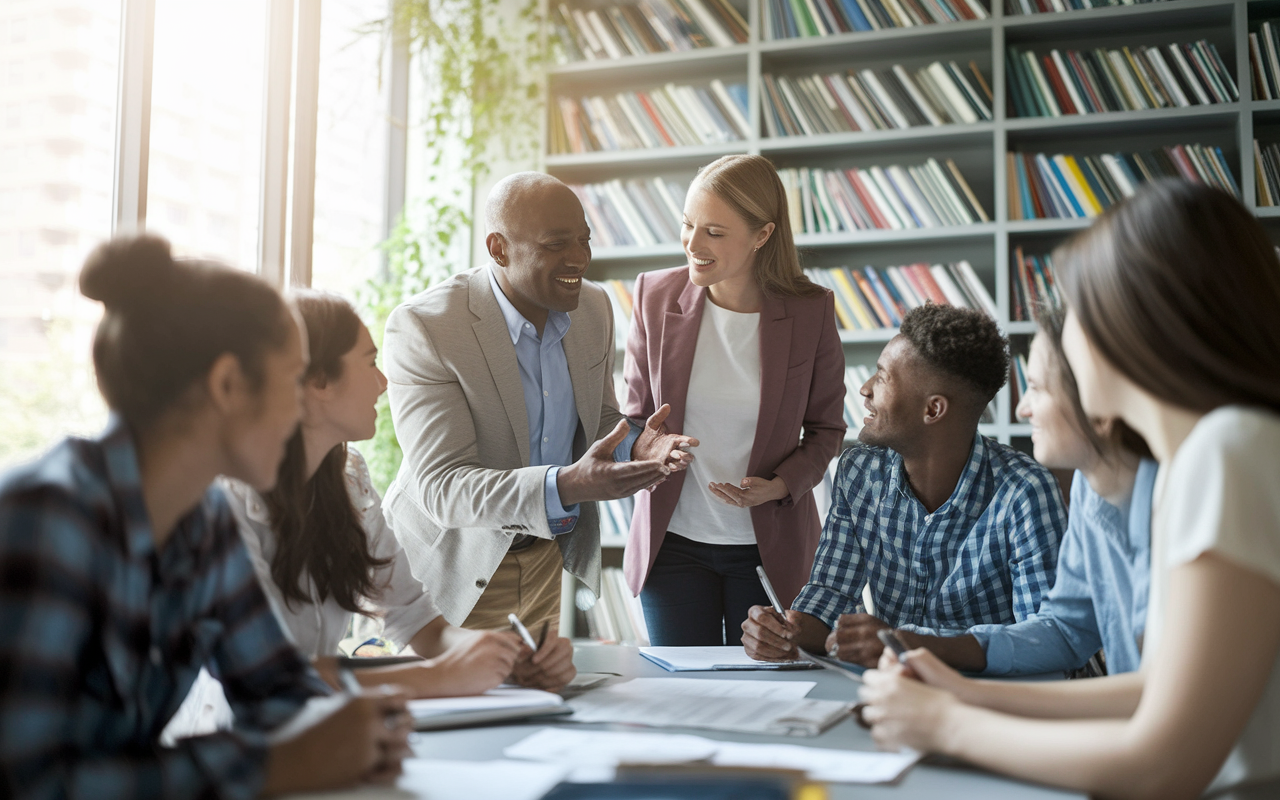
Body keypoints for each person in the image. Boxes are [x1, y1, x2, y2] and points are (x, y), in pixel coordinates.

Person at [858, 179, 1280, 800]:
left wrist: (947, 724)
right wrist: (964, 693)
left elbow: (1166, 765)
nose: (1062, 331)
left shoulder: (1227, 450)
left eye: (1080, 308)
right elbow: (1159, 688)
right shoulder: (1203, 459)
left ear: (1139, 324)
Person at [0, 236, 410, 798]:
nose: (301, 409)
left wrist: (357, 731)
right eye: (293, 381)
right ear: (227, 386)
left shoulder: (203, 521)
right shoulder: (46, 521)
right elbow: (30, 783)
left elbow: (278, 691)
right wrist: (271, 765)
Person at [220, 290, 576, 695]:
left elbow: (422, 626)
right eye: (370, 362)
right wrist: (439, 676)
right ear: (318, 380)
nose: (383, 382)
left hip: (319, 731)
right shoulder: (226, 501)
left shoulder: (347, 479)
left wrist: (508, 657)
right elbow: (266, 674)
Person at [382, 172, 695, 631]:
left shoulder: (593, 308)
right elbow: (442, 488)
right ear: (499, 248)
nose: (579, 258)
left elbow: (599, 418)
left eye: (584, 240)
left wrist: (635, 446)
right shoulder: (427, 328)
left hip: (547, 557)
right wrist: (568, 485)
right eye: (555, 244)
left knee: (540, 699)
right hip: (450, 572)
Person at [741, 303, 1068, 667]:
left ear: (933, 410)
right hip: (897, 691)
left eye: (882, 377)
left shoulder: (1024, 492)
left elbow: (1045, 639)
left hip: (990, 700)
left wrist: (907, 644)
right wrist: (789, 631)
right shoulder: (860, 473)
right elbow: (829, 597)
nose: (864, 389)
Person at [620, 154, 846, 646]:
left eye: (714, 233)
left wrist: (779, 484)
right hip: (672, 544)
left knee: (763, 698)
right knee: (686, 701)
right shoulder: (654, 296)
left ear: (763, 234)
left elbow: (827, 430)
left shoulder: (811, 311)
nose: (692, 245)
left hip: (765, 548)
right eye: (687, 225)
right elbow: (632, 423)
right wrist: (649, 449)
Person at [890, 307, 1156, 677]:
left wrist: (953, 708)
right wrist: (930, 647)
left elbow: (1157, 697)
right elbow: (1066, 631)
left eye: (1035, 387)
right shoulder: (1088, 487)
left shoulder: (1173, 499)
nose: (1021, 409)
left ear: (1095, 394)